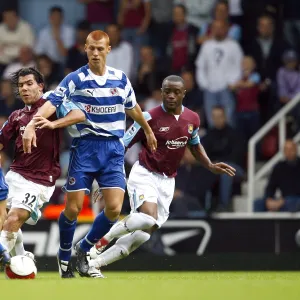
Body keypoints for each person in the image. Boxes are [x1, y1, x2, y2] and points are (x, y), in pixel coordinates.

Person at [22, 30, 157, 278]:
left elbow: (133, 108)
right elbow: (51, 103)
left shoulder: (121, 79)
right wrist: (32, 123)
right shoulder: (75, 79)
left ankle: (83, 248)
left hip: (114, 149)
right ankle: (64, 254)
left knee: (115, 209)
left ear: (108, 49)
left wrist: (147, 130)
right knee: (72, 209)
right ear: (85, 48)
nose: (95, 53)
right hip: (85, 148)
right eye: (91, 48)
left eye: (100, 48)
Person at [88, 75, 235, 275]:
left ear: (184, 93)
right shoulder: (148, 117)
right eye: (167, 92)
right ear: (162, 92)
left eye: (176, 92)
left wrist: (209, 164)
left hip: (167, 181)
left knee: (145, 234)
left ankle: (96, 264)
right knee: (148, 217)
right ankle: (100, 242)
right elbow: (121, 145)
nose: (171, 96)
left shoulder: (192, 119)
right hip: (145, 173)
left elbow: (194, 144)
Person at [0, 68, 84, 267]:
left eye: (29, 83)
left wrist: (55, 125)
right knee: (6, 221)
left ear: (40, 86)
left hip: (40, 180)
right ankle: (22, 259)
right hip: (14, 175)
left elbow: (79, 114)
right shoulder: (16, 116)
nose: (25, 89)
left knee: (13, 219)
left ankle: (6, 256)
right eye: (21, 85)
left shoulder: (52, 107)